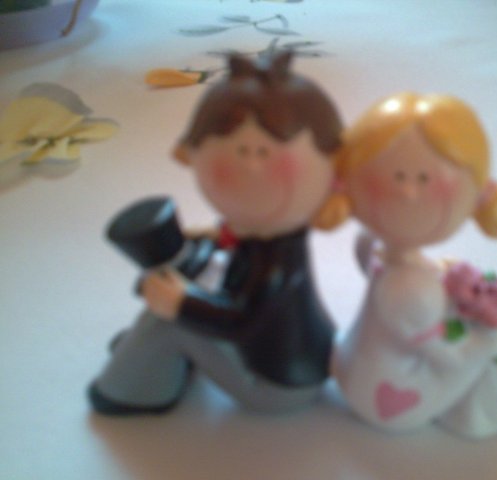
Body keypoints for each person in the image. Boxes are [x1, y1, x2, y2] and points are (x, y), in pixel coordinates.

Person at [88, 51, 343, 415]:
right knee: (193, 285)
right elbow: (239, 256)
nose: (251, 165)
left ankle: (124, 392)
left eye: (262, 152)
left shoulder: (277, 262)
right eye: (240, 151)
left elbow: (243, 320)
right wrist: (212, 239)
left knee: (168, 322)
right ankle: (145, 356)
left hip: (277, 386)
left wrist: (180, 304)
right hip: (296, 359)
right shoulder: (265, 237)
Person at [328, 92, 497, 437]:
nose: (408, 192)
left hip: (351, 366)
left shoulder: (372, 244)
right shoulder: (412, 290)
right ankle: (485, 414)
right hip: (391, 400)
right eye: (398, 177)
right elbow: (454, 359)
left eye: (423, 179)